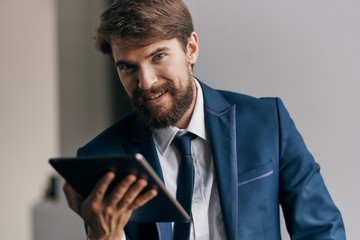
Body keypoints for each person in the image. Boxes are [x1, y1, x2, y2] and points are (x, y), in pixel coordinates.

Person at [63, 0, 346, 239]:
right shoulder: (102, 156)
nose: (146, 82)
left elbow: (321, 229)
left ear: (191, 49)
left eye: (158, 56)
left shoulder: (267, 123)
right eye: (127, 67)